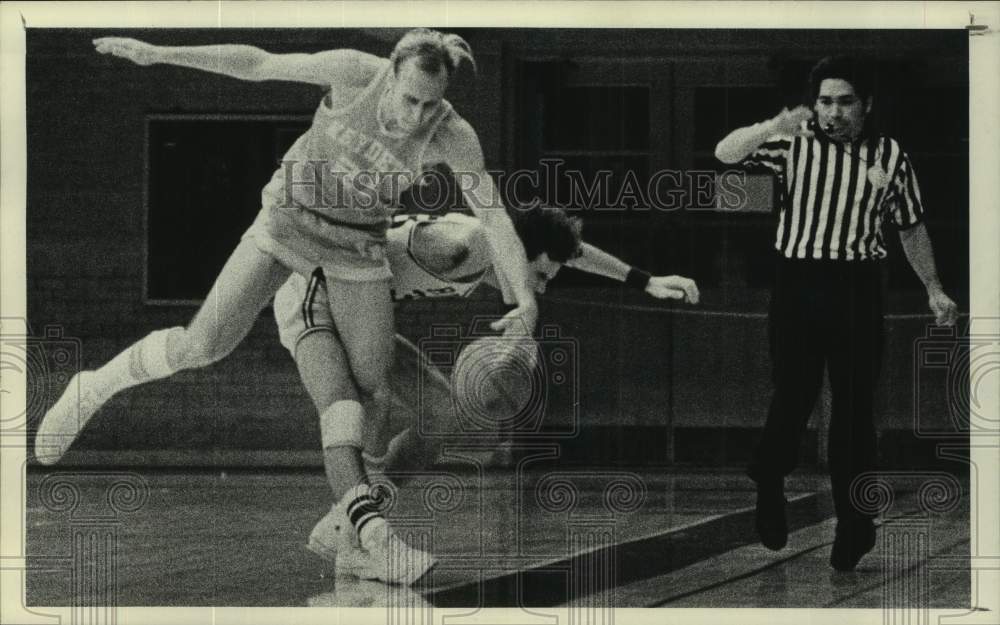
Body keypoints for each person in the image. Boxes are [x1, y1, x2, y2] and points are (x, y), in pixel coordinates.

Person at [34, 29, 539, 585]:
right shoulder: (354, 73)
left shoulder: (452, 135)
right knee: (203, 346)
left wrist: (526, 301)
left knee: (376, 388)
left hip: (356, 245)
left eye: (429, 103)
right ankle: (94, 385)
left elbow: (493, 216)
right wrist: (162, 54)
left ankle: (357, 535)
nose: (417, 114)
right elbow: (258, 64)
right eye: (409, 98)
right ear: (390, 74)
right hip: (287, 220)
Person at [272, 205, 699, 578]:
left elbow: (576, 254)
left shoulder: (503, 245)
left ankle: (346, 527)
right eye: (540, 276)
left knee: (441, 413)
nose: (543, 287)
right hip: (318, 292)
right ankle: (368, 537)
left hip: (366, 315)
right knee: (368, 404)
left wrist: (644, 280)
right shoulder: (458, 244)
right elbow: (353, 249)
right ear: (517, 253)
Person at [715, 55, 958, 571]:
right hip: (797, 283)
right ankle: (768, 477)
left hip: (857, 288)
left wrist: (933, 288)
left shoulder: (889, 155)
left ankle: (855, 520)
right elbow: (725, 154)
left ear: (866, 105)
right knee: (794, 393)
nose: (833, 112)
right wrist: (774, 124)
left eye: (845, 101)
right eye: (825, 101)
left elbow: (910, 228)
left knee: (854, 410)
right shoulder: (793, 142)